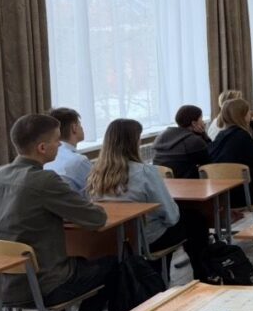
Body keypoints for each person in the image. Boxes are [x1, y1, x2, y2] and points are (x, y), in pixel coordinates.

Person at [0, 114, 116, 311]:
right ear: (42, 148)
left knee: (73, 264)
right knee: (113, 266)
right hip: (44, 285)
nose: (60, 145)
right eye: (57, 141)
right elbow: (96, 219)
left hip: (4, 283)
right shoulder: (44, 180)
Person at [87, 119, 211, 282]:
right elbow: (171, 216)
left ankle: (161, 277)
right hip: (148, 239)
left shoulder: (95, 174)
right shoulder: (146, 172)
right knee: (196, 220)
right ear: (134, 142)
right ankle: (203, 276)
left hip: (114, 240)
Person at [152, 105, 212, 179]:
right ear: (194, 123)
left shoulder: (161, 136)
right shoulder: (194, 141)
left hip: (162, 182)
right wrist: (203, 134)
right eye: (201, 119)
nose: (203, 122)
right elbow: (210, 161)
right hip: (186, 184)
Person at [44, 107, 92, 193]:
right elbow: (99, 191)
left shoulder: (45, 159)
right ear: (74, 128)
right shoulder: (79, 161)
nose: (82, 128)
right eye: (80, 124)